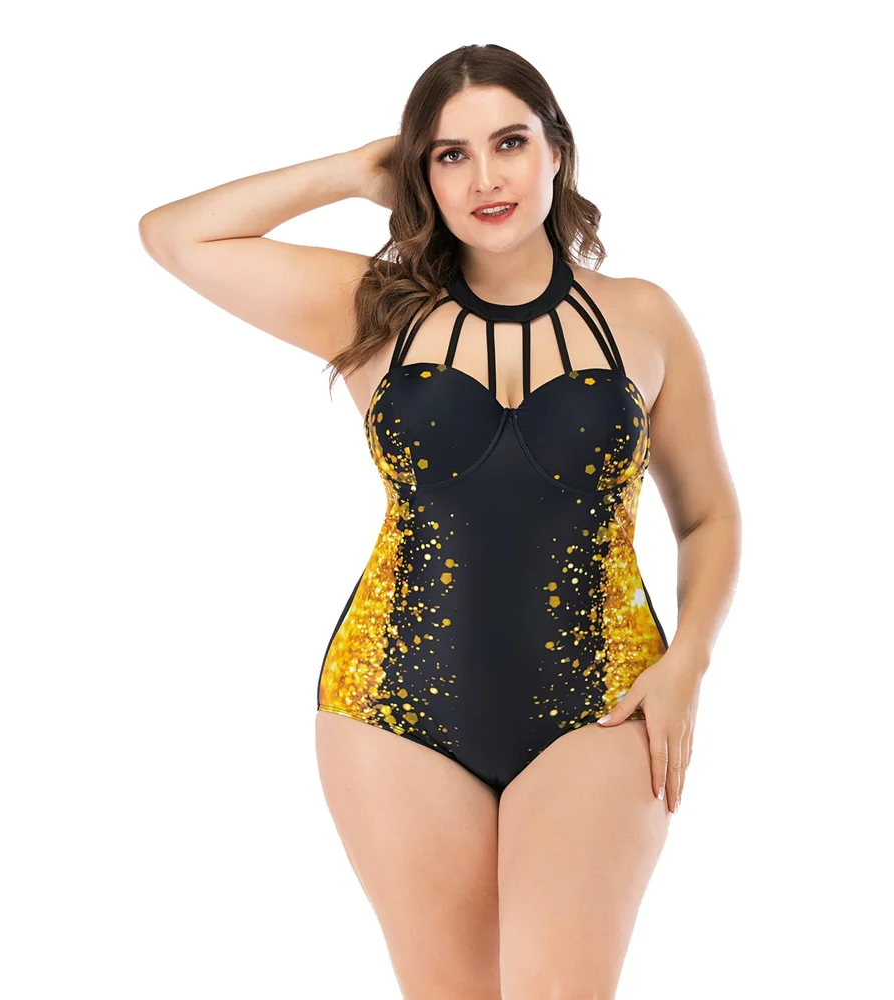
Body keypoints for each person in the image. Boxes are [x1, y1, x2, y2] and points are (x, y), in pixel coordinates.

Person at [139, 42, 741, 1000]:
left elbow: (706, 515)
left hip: (607, 702)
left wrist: (688, 667)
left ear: (557, 151)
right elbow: (175, 237)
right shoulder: (372, 310)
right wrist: (351, 171)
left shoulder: (643, 317)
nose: (485, 177)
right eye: (449, 155)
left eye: (510, 142)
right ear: (418, 173)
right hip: (390, 707)